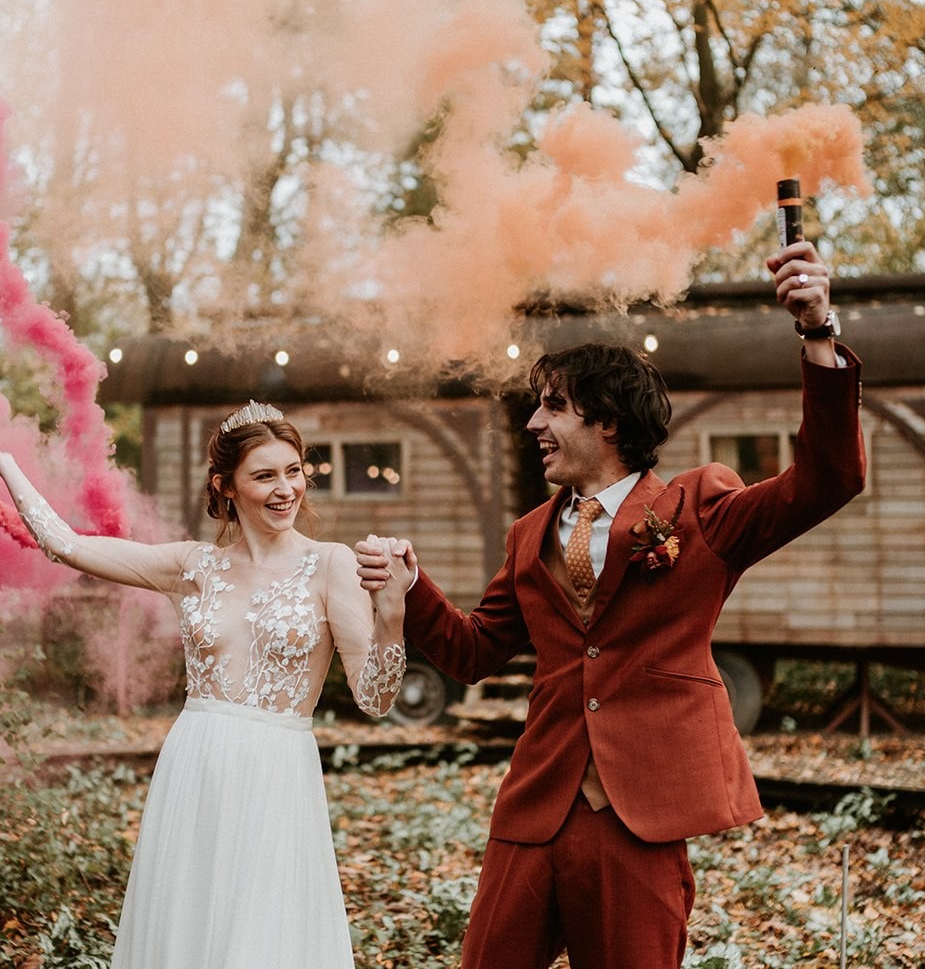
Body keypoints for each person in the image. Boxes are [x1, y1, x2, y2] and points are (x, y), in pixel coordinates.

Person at [356, 238, 866, 968]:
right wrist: (410, 583)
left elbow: (826, 479)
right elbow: (472, 653)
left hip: (641, 818)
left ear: (608, 422)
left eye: (553, 407)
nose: (534, 424)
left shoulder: (699, 506)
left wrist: (818, 331)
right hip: (535, 809)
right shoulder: (530, 534)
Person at [0, 402, 410, 969]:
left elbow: (375, 699)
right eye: (265, 476)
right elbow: (67, 545)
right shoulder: (193, 566)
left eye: (294, 471)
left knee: (261, 941)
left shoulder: (332, 565)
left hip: (277, 775)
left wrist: (393, 611)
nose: (286, 490)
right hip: (194, 769)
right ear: (224, 486)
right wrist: (7, 468)